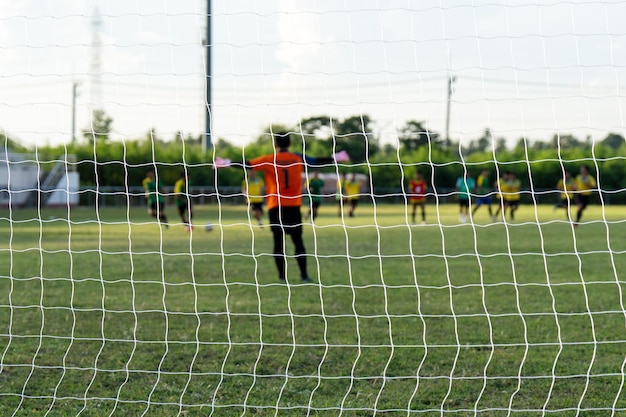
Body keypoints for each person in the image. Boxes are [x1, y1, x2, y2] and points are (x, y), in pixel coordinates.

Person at [247, 131, 330, 283]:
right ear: (290, 144)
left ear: (275, 144)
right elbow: (317, 161)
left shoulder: (269, 159)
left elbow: (247, 164)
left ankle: (282, 276)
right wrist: (335, 158)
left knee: (278, 241)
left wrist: (225, 162)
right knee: (297, 240)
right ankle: (304, 275)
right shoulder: (297, 157)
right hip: (293, 206)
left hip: (275, 206)